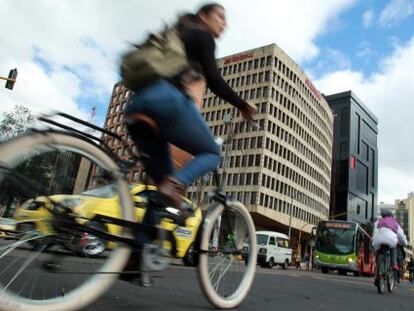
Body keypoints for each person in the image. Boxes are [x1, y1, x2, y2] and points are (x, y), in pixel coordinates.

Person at [125, 3, 256, 210]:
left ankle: (144, 240)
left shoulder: (175, 35)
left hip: (137, 106)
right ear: (203, 16)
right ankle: (175, 186)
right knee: (212, 153)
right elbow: (214, 81)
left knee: (160, 192)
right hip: (166, 99)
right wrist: (243, 105)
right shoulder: (201, 35)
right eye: (220, 17)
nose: (225, 23)